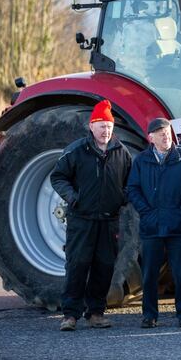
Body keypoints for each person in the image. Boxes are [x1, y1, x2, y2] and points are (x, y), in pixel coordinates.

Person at [51, 99, 132, 331]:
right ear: (91, 126)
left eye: (109, 126)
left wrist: (121, 198)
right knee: (77, 265)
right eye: (101, 126)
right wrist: (73, 197)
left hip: (109, 220)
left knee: (104, 266)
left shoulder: (121, 152)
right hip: (81, 219)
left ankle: (96, 313)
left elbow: (131, 182)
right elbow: (58, 177)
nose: (105, 131)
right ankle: (70, 315)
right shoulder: (77, 151)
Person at [127, 117, 181, 329]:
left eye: (167, 131)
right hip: (151, 227)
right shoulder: (141, 161)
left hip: (177, 226)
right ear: (151, 138)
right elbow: (132, 189)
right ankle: (149, 315)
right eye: (160, 133)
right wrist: (146, 212)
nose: (165, 135)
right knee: (149, 275)